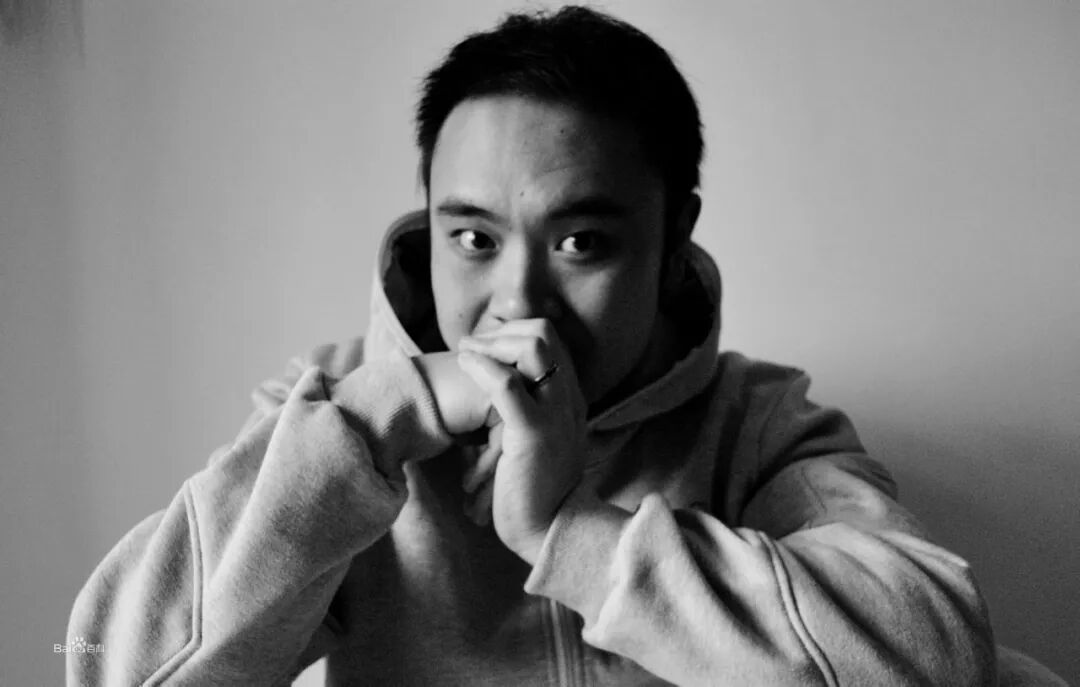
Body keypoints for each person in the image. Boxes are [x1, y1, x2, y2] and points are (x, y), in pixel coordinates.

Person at [67, 6, 1012, 686]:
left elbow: (939, 658)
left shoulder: (755, 424)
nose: (518, 301)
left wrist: (572, 530)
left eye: (581, 242)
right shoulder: (336, 419)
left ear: (673, 240)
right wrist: (378, 421)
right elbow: (112, 665)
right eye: (473, 238)